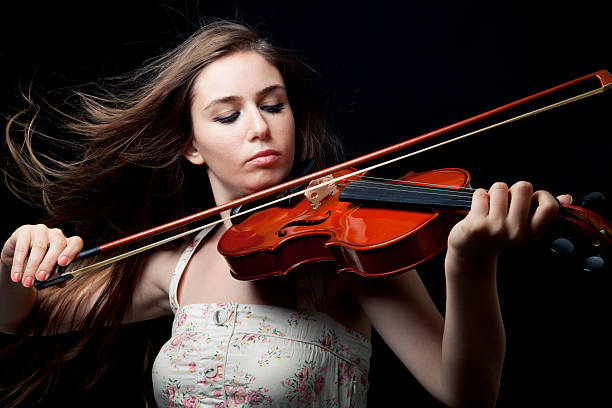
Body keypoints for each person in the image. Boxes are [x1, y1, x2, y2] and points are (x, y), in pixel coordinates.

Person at [1, 20, 569, 407]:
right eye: (228, 116)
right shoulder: (174, 267)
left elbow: (466, 394)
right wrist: (13, 262)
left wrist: (470, 262)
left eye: (274, 105)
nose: (260, 127)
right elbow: (18, 317)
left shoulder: (346, 248)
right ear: (191, 146)